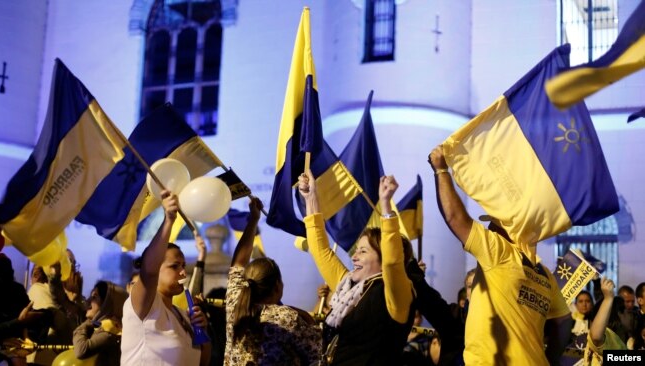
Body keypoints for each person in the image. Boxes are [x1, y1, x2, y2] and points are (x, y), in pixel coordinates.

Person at [428, 145, 572, 365]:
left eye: (493, 224)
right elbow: (563, 322)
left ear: (508, 228)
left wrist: (440, 170)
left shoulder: (500, 251)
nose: (490, 230)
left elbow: (455, 217)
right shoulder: (544, 274)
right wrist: (548, 359)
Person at [299, 172, 414, 365]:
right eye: (356, 250)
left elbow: (393, 263)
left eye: (363, 251)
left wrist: (386, 206)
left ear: (383, 257)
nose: (354, 256)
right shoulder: (348, 285)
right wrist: (310, 198)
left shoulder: (396, 294)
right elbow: (321, 251)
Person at [225, 197, 321, 365]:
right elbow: (316, 355)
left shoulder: (235, 303)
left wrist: (253, 220)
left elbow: (238, 263)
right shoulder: (288, 318)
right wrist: (308, 319)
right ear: (277, 286)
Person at [120, 190, 210, 366]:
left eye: (183, 266)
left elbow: (202, 362)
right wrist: (169, 219)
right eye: (174, 266)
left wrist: (203, 332)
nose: (183, 272)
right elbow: (149, 271)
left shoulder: (182, 315)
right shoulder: (143, 305)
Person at [72, 281, 128, 365]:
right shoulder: (99, 326)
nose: (88, 301)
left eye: (94, 297)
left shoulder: (110, 327)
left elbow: (81, 350)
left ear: (107, 304)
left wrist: (87, 323)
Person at [585, 278, 627, 365]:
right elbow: (596, 336)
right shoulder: (611, 336)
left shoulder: (613, 337)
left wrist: (608, 298)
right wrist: (608, 298)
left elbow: (596, 337)